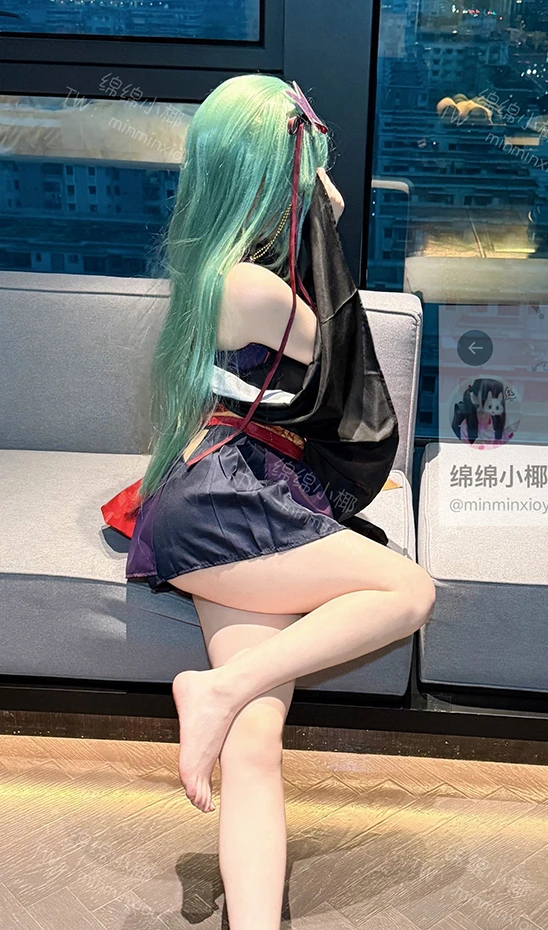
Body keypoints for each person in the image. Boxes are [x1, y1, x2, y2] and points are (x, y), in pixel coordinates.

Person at [102, 73, 435, 930]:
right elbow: (344, 359)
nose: (322, 182)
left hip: (230, 498)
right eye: (310, 166)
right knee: (409, 591)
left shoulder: (219, 270)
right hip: (231, 506)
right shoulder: (252, 288)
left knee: (253, 740)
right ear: (276, 176)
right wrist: (325, 218)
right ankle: (212, 692)